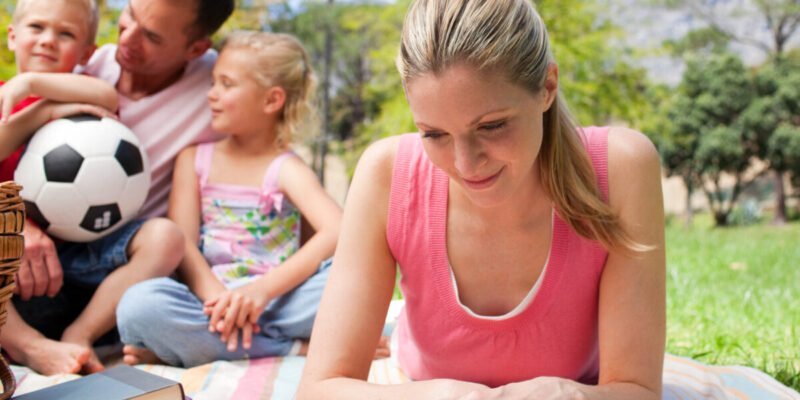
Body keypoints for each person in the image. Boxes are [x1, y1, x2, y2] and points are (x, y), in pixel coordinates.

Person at [298, 0, 666, 399]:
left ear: (547, 87)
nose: (465, 163)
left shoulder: (619, 168)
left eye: (492, 126)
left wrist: (560, 394)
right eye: (434, 134)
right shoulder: (386, 175)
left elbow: (636, 390)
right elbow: (320, 388)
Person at [2, 0, 235, 375]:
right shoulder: (43, 83)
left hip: (86, 258)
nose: (126, 37)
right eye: (128, 16)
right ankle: (26, 344)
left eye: (152, 35)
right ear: (13, 36)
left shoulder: (85, 89)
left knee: (164, 237)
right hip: (13, 260)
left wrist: (32, 89)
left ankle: (82, 333)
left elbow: (105, 97)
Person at [115, 31, 342, 368]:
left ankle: (190, 348)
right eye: (212, 82)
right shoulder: (194, 159)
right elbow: (184, 244)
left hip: (277, 301)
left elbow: (337, 229)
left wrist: (260, 293)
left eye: (226, 84)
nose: (211, 95)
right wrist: (219, 298)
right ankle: (288, 348)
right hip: (209, 302)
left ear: (271, 100)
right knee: (137, 306)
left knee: (342, 282)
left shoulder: (285, 167)